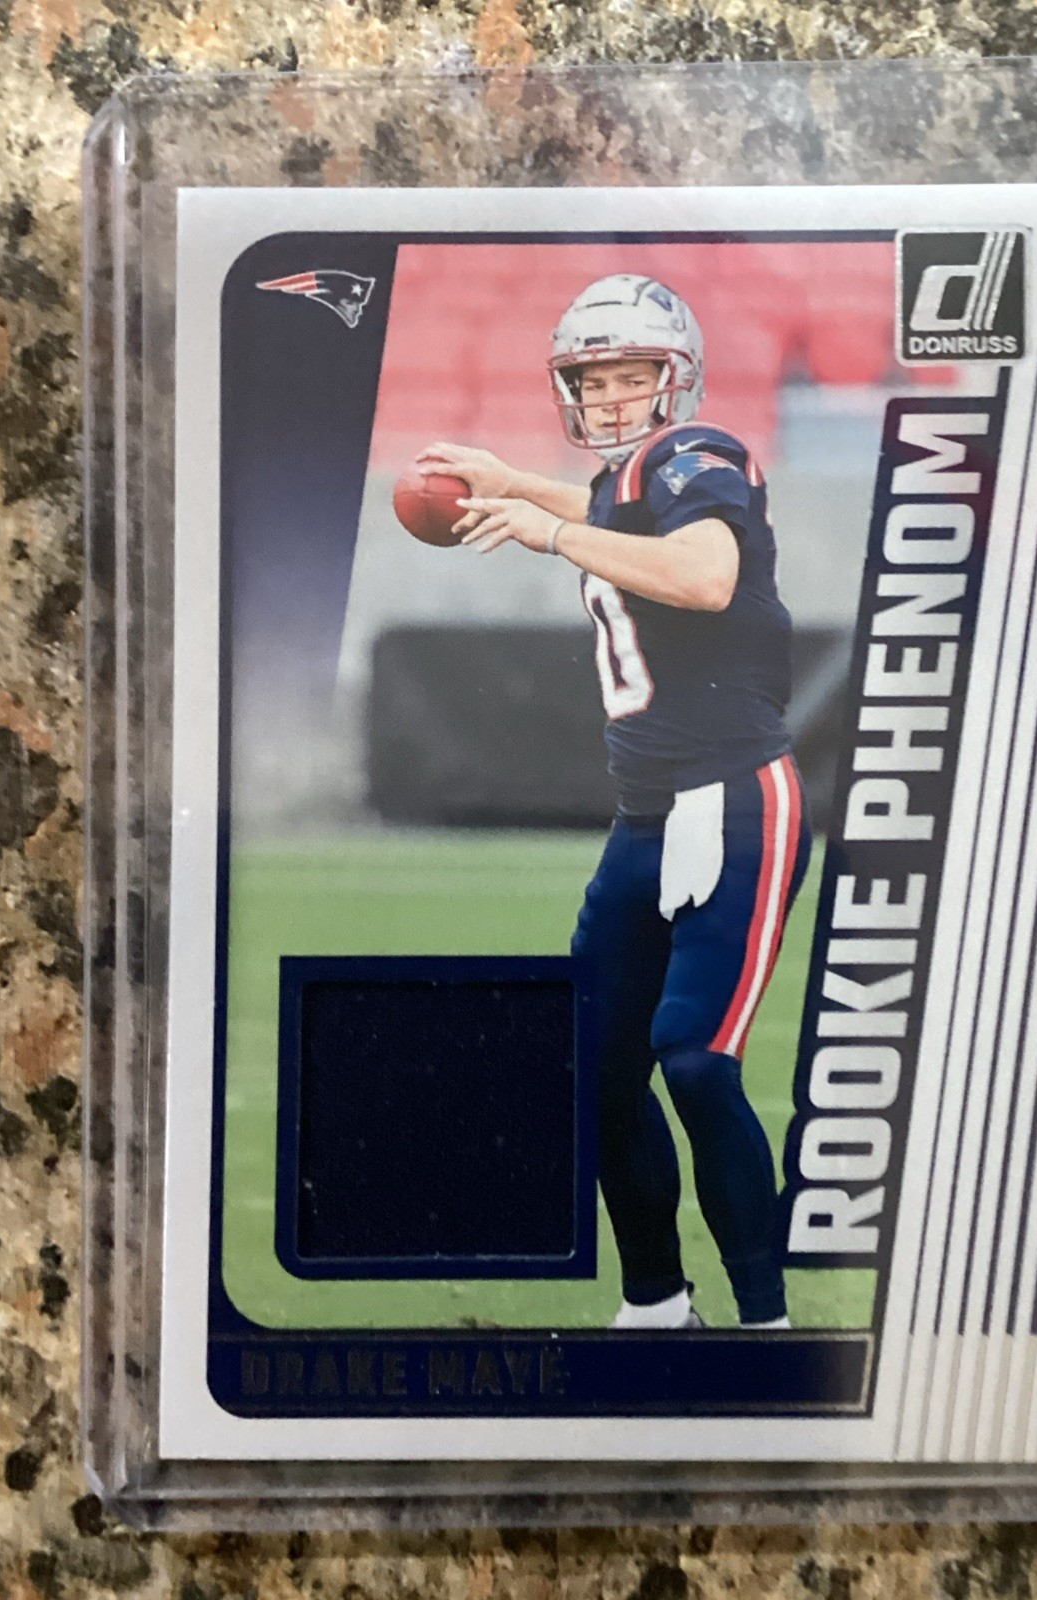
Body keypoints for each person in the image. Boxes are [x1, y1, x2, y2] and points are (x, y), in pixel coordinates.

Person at [416, 274, 810, 1329]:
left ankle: (767, 1325)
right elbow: (611, 518)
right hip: (643, 822)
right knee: (594, 1065)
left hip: (733, 805)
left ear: (675, 380)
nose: (610, 397)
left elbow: (702, 575)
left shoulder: (698, 453)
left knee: (696, 1061)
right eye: (593, 381)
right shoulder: (626, 482)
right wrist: (519, 486)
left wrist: (548, 531)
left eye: (631, 376)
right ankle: (656, 1307)